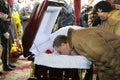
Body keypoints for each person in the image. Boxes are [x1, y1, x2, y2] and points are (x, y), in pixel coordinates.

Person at [53, 27, 120, 80]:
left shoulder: (82, 41)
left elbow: (110, 58)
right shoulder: (76, 39)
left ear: (63, 44)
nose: (61, 55)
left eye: (60, 52)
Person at [0, 0, 15, 72]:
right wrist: (4, 31)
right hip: (2, 29)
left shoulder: (6, 2)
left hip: (7, 28)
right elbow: (1, 19)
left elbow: (8, 17)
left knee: (7, 47)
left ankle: (6, 63)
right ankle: (4, 65)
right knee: (2, 49)